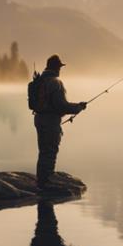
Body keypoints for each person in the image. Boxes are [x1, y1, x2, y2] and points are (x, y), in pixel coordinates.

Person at [33, 54, 86, 187]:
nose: (60, 70)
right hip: (50, 120)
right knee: (50, 150)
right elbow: (61, 106)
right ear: (57, 68)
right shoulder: (55, 82)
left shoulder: (40, 80)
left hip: (39, 118)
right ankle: (46, 181)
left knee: (43, 149)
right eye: (60, 67)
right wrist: (78, 107)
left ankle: (42, 179)